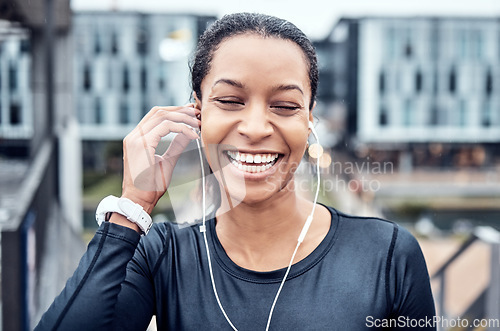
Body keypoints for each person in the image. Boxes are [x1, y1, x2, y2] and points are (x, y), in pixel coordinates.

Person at [36, 13, 436, 330]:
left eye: (284, 106)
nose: (257, 127)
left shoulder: (387, 255)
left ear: (310, 118)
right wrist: (130, 206)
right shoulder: (163, 255)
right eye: (230, 100)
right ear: (197, 111)